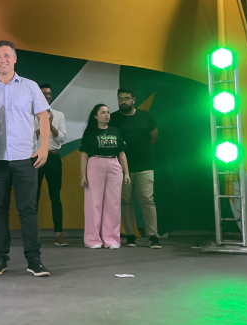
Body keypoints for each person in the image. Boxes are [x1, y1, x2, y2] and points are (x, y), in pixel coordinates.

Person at [0, 40, 51, 277]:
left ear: (15, 59)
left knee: (28, 210)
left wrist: (44, 147)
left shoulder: (30, 86)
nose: (2, 60)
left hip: (25, 158)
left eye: (6, 55)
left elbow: (43, 116)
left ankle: (34, 259)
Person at [109, 86, 161, 249]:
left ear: (133, 100)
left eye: (126, 98)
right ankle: (130, 235)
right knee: (125, 201)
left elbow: (154, 137)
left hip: (145, 166)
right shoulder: (113, 119)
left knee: (147, 200)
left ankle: (153, 236)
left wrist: (142, 151)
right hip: (122, 168)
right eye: (120, 99)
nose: (123, 102)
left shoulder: (146, 117)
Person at [79, 104, 130, 249]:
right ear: (96, 116)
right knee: (93, 203)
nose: (107, 115)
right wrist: (83, 175)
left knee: (113, 204)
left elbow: (122, 153)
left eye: (108, 112)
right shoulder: (90, 132)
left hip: (114, 164)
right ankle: (93, 239)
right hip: (95, 164)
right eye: (103, 112)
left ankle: (111, 239)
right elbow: (84, 154)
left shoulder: (115, 131)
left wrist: (126, 172)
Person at [34, 83, 68, 247]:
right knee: (33, 197)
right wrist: (42, 124)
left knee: (55, 197)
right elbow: (28, 138)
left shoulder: (59, 115)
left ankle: (59, 234)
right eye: (43, 94)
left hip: (53, 158)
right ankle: (32, 234)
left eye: (49, 94)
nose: (47, 96)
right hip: (35, 159)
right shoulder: (30, 114)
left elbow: (62, 138)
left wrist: (51, 125)